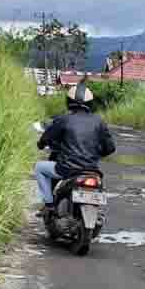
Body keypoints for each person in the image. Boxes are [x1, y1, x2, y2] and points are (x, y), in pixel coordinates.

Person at [35, 83, 114, 214]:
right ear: (90, 103)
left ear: (69, 102)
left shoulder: (63, 119)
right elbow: (110, 148)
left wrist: (41, 144)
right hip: (92, 171)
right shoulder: (99, 121)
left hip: (67, 169)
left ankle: (49, 205)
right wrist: (97, 154)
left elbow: (46, 138)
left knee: (39, 167)